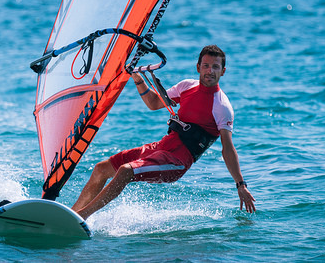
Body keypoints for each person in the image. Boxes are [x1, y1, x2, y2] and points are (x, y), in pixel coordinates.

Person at [71, 45, 256, 220]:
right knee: (101, 169)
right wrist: (137, 77)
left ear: (223, 71)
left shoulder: (222, 106)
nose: (210, 71)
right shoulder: (187, 86)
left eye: (216, 67)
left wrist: (240, 184)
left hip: (177, 161)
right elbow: (153, 103)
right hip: (161, 148)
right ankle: (70, 214)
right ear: (198, 67)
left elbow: (228, 148)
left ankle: (81, 216)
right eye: (206, 66)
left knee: (125, 171)